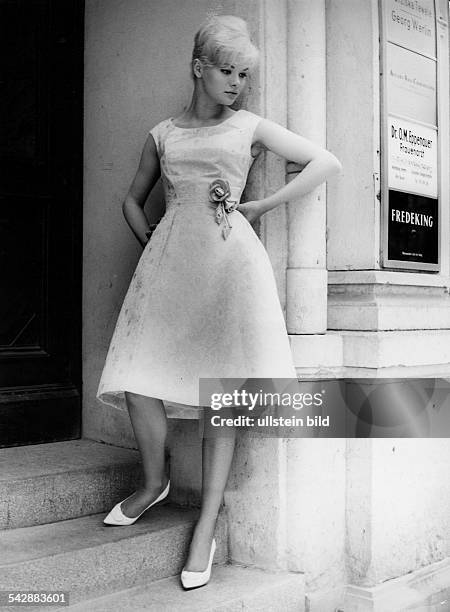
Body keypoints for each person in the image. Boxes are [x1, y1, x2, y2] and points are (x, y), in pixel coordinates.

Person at [96, 14, 341, 590]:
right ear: (198, 68)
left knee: (221, 395)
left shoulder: (249, 126)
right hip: (169, 270)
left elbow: (324, 162)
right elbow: (133, 201)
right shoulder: (162, 134)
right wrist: (154, 242)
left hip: (230, 268)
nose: (237, 83)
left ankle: (205, 523)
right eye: (227, 71)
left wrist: (260, 207)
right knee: (138, 376)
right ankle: (154, 480)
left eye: (244, 74)